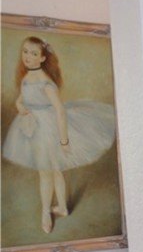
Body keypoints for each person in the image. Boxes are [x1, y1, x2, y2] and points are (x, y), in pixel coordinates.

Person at [3, 36, 115, 233]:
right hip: (33, 128)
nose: (28, 56)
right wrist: (19, 105)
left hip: (50, 128)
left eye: (34, 53)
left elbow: (60, 111)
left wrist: (64, 140)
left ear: (43, 59)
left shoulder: (47, 83)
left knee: (50, 170)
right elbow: (22, 98)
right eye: (25, 51)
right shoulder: (27, 78)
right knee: (49, 170)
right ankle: (58, 207)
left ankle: (47, 211)